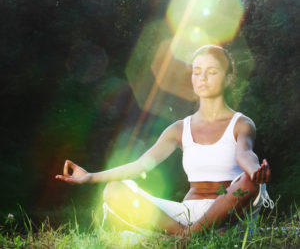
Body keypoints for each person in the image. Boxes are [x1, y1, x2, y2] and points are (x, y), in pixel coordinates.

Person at [55, 44, 273, 237]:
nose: (202, 78)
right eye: (197, 72)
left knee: (251, 182)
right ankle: (188, 235)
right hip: (187, 213)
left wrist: (255, 170)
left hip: (229, 212)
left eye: (211, 72)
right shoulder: (179, 128)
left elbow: (244, 153)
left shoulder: (241, 123)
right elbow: (139, 165)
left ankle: (186, 236)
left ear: (228, 78)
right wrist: (90, 176)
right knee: (114, 190)